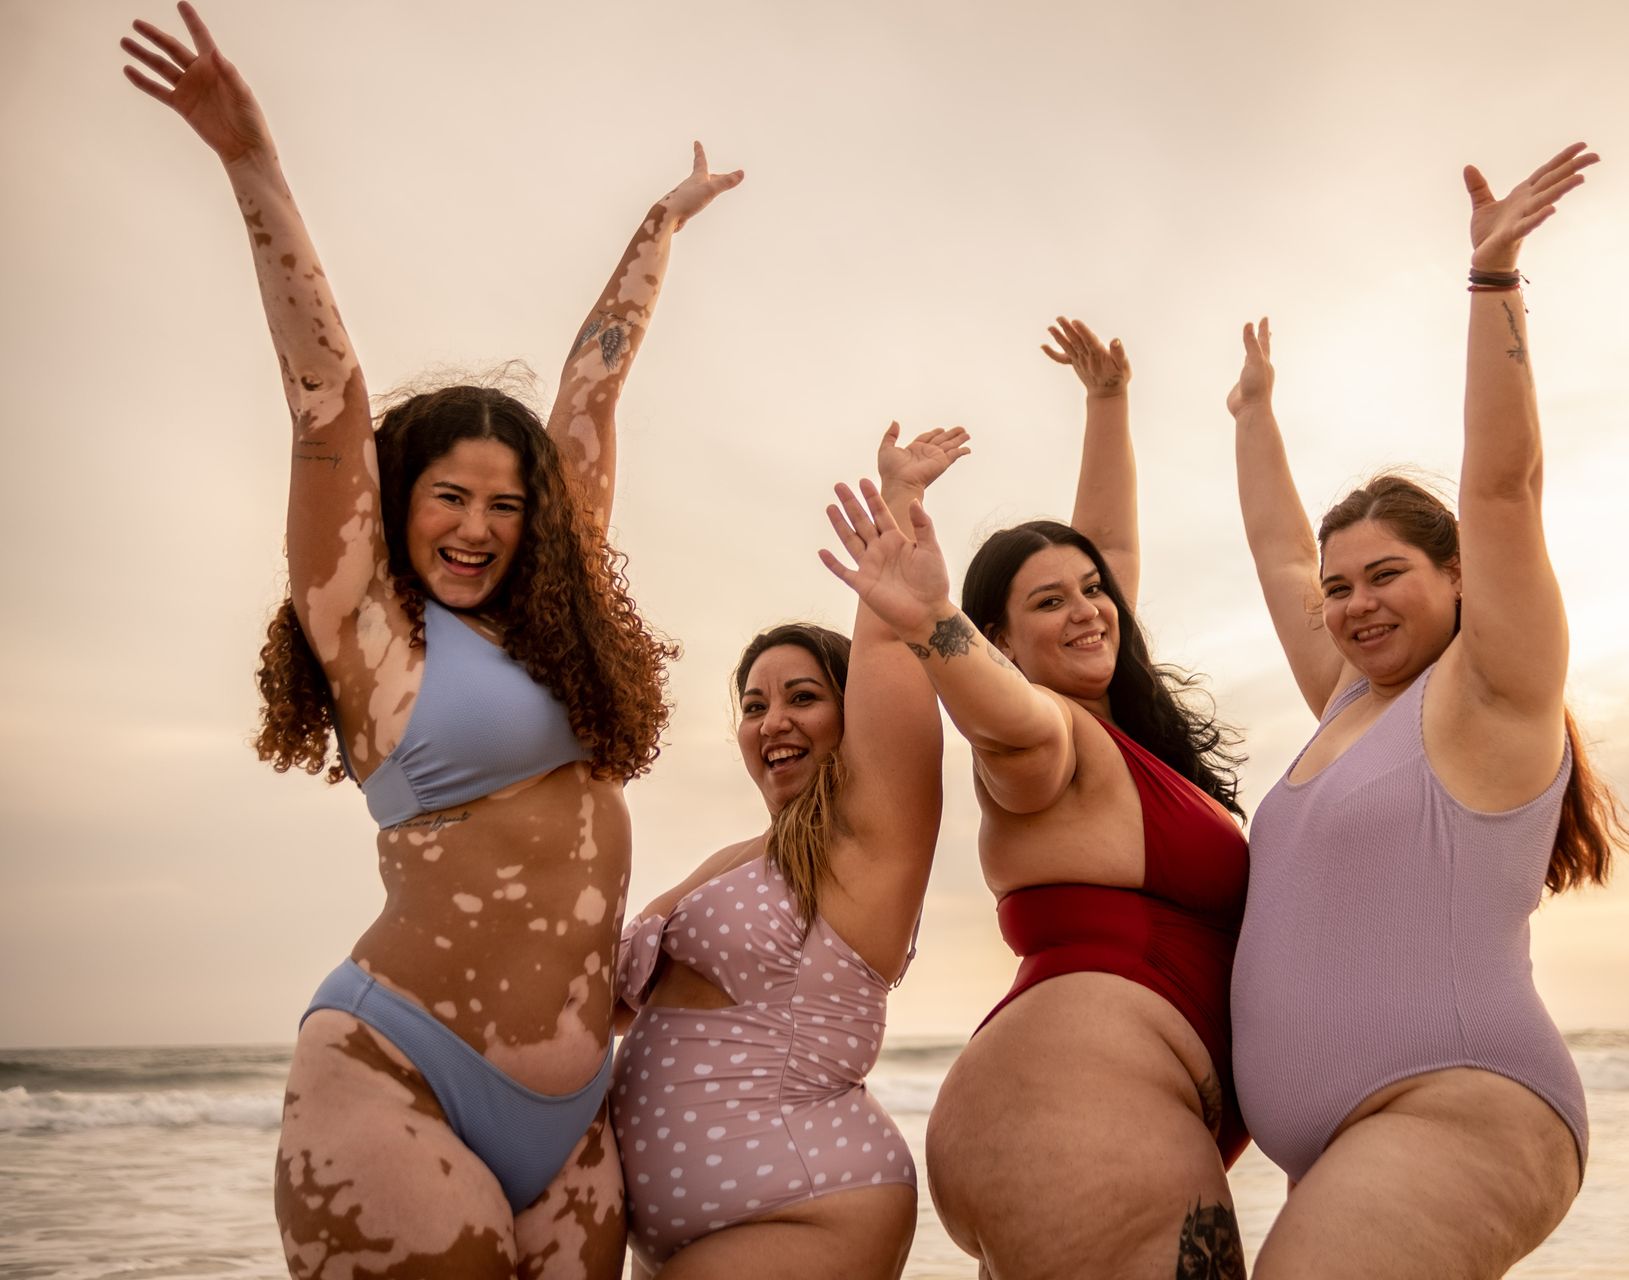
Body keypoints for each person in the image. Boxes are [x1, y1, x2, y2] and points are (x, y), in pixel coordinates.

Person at [121, 6, 740, 1274]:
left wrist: (659, 228)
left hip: (574, 1115)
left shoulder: (554, 631)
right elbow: (324, 402)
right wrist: (251, 159)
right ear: (397, 507)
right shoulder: (366, 635)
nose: (479, 526)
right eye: (448, 497)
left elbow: (590, 392)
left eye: (507, 504)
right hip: (398, 1071)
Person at [1227, 142, 1629, 1278]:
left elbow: (1505, 482)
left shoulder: (1492, 692)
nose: (1352, 604)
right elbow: (1273, 552)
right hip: (1343, 1146)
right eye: (1340, 585)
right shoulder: (1350, 701)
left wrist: (1493, 278)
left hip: (1462, 1103)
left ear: (1459, 577)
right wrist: (1254, 415)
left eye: (1387, 575)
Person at [820, 321, 1250, 1280]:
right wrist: (937, 624)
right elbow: (1003, 720)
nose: (1087, 608)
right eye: (1047, 603)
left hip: (1073, 1119)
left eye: (1089, 590)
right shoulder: (1046, 741)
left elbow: (1115, 550)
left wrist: (1107, 403)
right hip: (1072, 1112)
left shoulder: (1119, 735)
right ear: (1003, 642)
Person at [609, 424, 966, 1278]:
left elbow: (888, 645)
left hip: (809, 1203)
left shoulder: (869, 844)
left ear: (851, 719)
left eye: (803, 696)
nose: (773, 720)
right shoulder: (732, 862)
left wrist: (899, 503)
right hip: (673, 1230)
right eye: (754, 703)